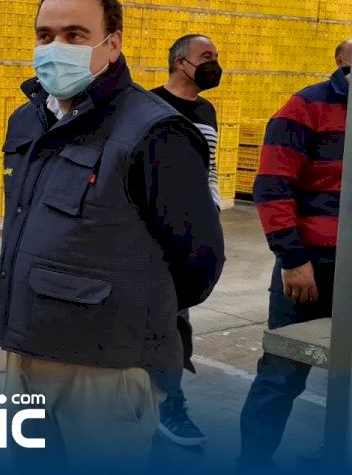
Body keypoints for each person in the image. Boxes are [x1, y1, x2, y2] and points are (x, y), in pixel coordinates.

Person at [0, 0, 225, 470]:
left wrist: (134, 313)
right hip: (25, 349)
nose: (56, 48)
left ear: (112, 44)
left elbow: (199, 259)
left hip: (105, 367)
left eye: (75, 35)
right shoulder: (27, 121)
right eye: (45, 35)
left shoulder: (155, 131)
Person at [237, 38, 352, 471]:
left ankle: (336, 450)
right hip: (312, 265)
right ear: (344, 62)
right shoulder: (305, 107)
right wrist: (292, 259)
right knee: (282, 373)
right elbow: (272, 186)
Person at [149, 33, 224, 447]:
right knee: (161, 319)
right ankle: (164, 403)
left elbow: (209, 169)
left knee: (178, 320)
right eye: (206, 56)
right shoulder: (150, 105)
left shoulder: (207, 110)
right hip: (157, 233)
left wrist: (213, 210)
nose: (215, 63)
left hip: (194, 231)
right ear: (182, 63)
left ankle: (167, 400)